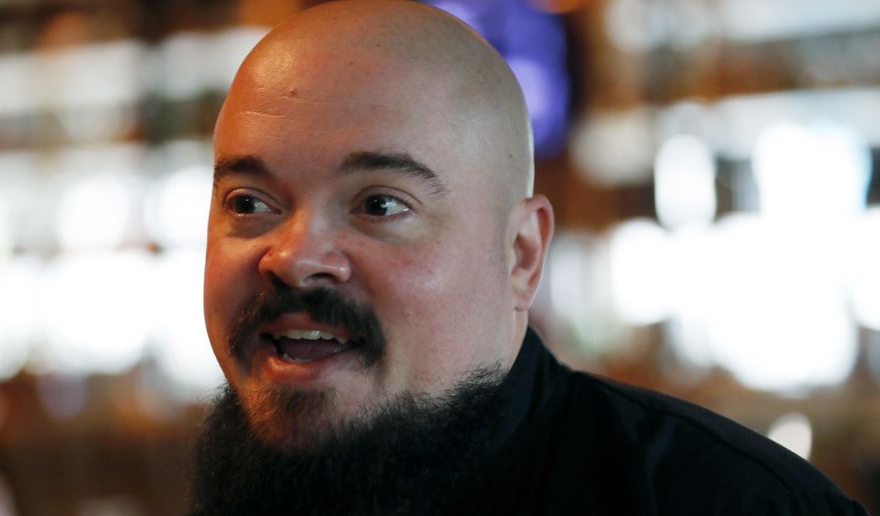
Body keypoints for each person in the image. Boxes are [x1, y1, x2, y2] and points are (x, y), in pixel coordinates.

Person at [191, 1, 870, 514]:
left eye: (378, 205)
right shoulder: (245, 481)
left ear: (519, 256)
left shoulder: (725, 501)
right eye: (250, 204)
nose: (292, 257)